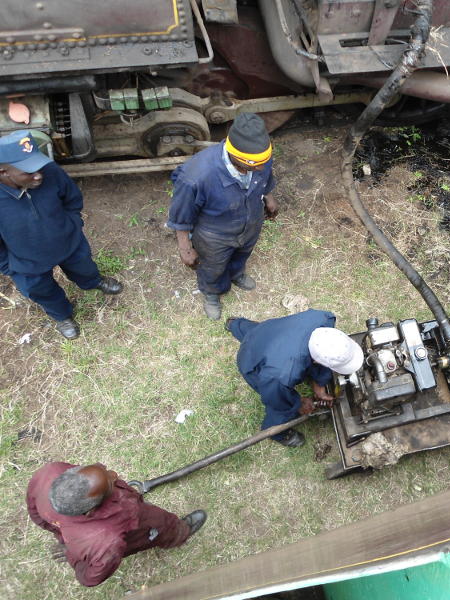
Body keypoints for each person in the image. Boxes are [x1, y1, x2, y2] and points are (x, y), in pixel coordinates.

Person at [0, 130, 123, 339]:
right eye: (28, 172)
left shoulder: (49, 171)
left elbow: (72, 198)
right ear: (4, 172)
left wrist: (74, 224)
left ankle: (93, 282)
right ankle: (62, 315)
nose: (38, 174)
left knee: (84, 267)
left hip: (68, 242)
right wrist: (9, 267)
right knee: (42, 291)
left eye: (38, 166)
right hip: (26, 262)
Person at [168, 112, 278, 320]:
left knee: (243, 252)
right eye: (255, 165)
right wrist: (185, 246)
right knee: (213, 266)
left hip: (251, 220)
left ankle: (237, 274)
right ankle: (212, 292)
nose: (261, 168)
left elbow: (265, 175)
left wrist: (269, 198)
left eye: (264, 161)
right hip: (214, 234)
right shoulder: (196, 176)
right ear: (236, 157)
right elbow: (180, 214)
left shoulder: (259, 158)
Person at [26, 462, 206, 587]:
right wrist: (74, 558)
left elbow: (36, 513)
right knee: (161, 526)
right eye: (110, 485)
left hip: (114, 516)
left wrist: (62, 537)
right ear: (89, 511)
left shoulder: (49, 472)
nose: (114, 475)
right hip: (134, 528)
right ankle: (179, 533)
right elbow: (90, 578)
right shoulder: (106, 542)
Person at [226, 309, 364, 447]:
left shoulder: (323, 319)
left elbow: (319, 358)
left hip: (270, 331)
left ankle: (235, 324)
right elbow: (275, 396)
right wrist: (298, 403)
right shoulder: (282, 374)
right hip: (251, 361)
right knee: (282, 406)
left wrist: (320, 383)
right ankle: (277, 433)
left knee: (256, 333)